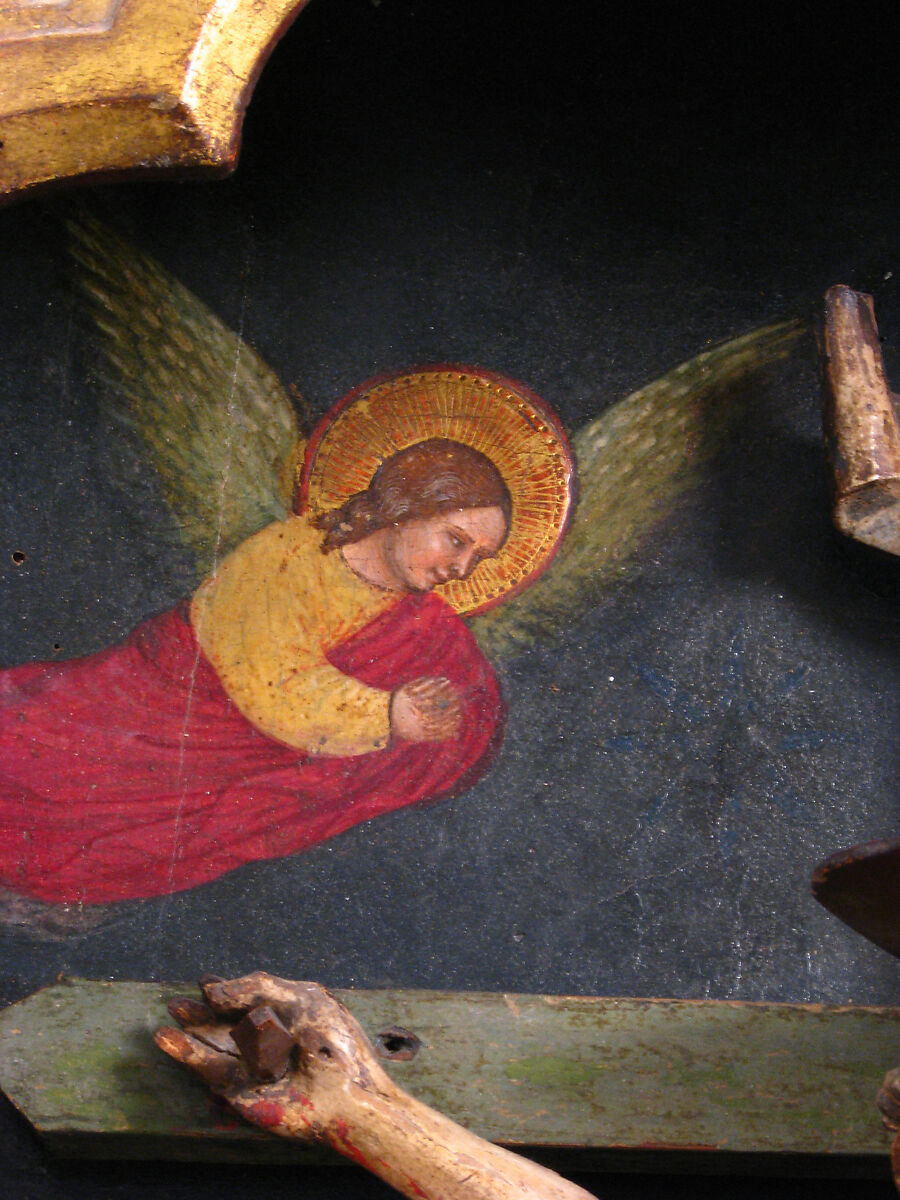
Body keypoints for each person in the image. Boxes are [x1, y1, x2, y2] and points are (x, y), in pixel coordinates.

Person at [0, 439, 510, 907]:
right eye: (455, 540)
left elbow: (473, 705)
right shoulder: (292, 554)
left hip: (238, 762)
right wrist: (388, 713)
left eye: (479, 557)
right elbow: (276, 686)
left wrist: (444, 713)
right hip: (156, 717)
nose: (462, 569)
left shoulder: (424, 621)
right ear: (406, 510)